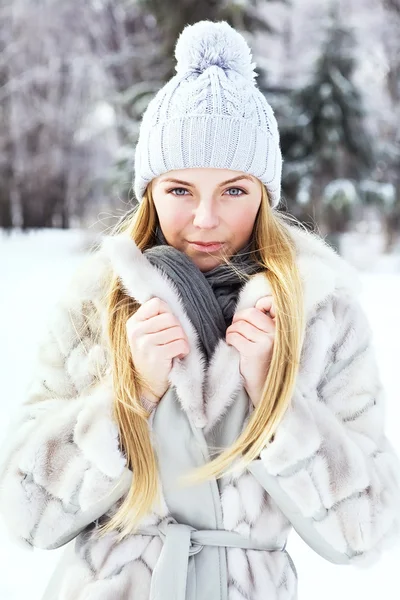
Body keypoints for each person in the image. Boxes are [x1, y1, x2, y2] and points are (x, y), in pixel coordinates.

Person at [0, 19, 399, 600]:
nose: (205, 219)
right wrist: (129, 395)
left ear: (264, 193)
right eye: (180, 190)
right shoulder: (98, 304)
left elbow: (365, 530)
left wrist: (275, 398)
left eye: (234, 191)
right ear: (151, 192)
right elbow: (26, 514)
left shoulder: (321, 318)